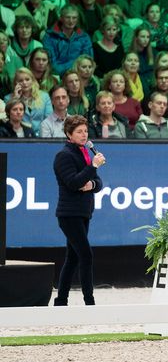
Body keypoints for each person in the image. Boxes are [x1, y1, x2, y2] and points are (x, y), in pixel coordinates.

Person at [52, 115, 105, 306]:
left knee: (73, 258)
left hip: (83, 212)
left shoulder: (84, 153)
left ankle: (61, 300)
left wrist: (91, 183)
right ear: (69, 134)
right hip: (69, 214)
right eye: (79, 132)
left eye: (85, 131)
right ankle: (89, 301)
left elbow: (98, 183)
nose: (84, 135)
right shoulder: (64, 156)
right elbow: (73, 183)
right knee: (86, 255)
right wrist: (92, 167)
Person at [6, 67, 52, 134]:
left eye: (27, 79)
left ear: (32, 80)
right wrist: (16, 99)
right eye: (20, 81)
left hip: (41, 136)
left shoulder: (44, 96)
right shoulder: (8, 98)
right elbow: (9, 121)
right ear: (16, 83)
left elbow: (49, 120)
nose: (24, 83)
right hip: (19, 136)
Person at [142, 55, 168, 127]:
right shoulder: (149, 98)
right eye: (161, 78)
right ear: (156, 80)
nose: (164, 81)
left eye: (167, 78)